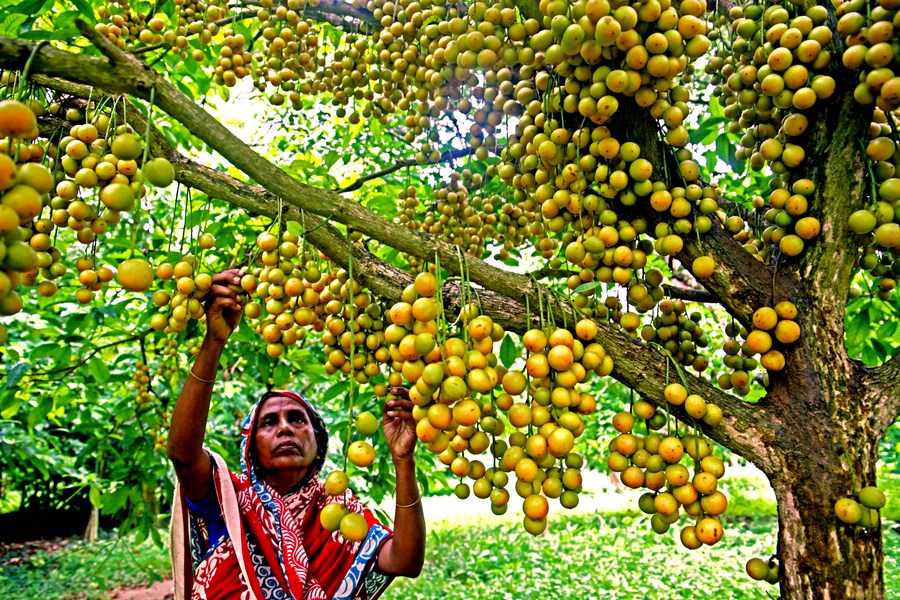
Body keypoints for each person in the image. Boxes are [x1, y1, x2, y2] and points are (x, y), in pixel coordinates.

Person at [167, 268, 425, 599]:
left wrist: (404, 459)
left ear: (319, 447)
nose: (285, 428)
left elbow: (405, 560)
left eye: (297, 420)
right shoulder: (228, 501)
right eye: (269, 422)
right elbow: (182, 454)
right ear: (250, 448)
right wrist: (214, 342)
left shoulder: (340, 510)